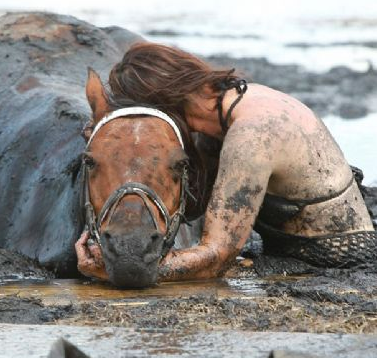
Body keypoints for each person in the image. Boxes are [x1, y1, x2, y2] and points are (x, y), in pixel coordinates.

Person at [76, 42, 377, 281]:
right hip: (298, 249)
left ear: (163, 102)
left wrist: (121, 268)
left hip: (333, 261)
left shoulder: (252, 135)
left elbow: (216, 257)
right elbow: (194, 209)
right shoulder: (232, 109)